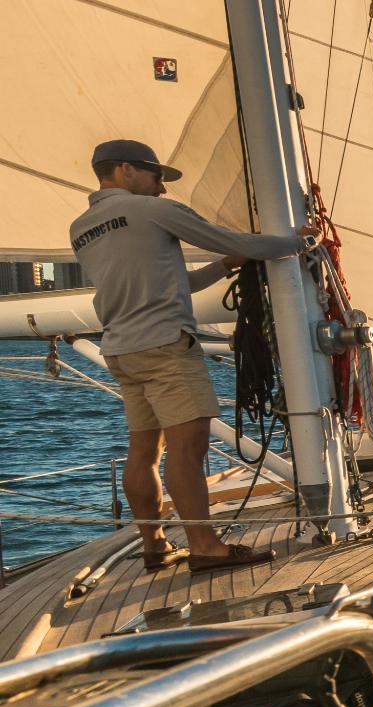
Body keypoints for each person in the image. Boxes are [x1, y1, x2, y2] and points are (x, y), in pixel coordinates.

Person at [69, 139, 318, 573]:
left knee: (143, 451)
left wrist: (224, 266)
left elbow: (170, 279)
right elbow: (229, 237)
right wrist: (295, 243)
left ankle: (155, 545)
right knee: (188, 451)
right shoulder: (152, 211)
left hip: (122, 349)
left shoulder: (82, 227)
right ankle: (205, 547)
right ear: (126, 170)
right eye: (156, 176)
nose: (162, 188)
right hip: (166, 345)